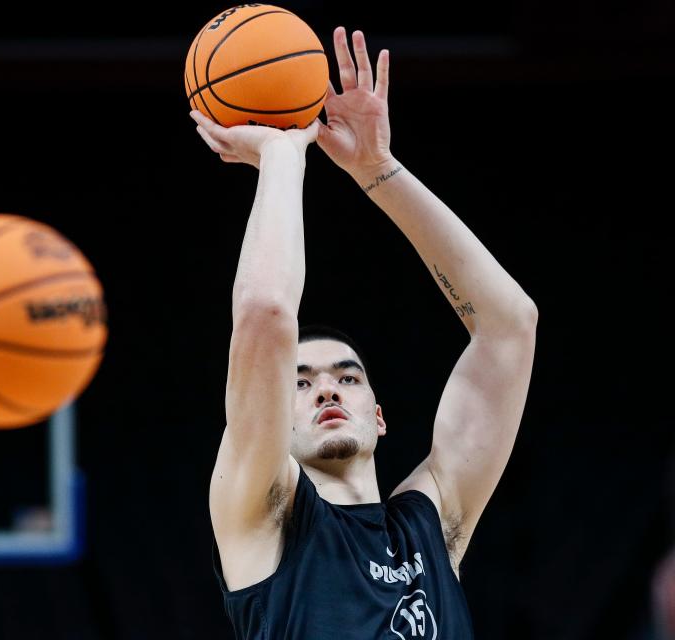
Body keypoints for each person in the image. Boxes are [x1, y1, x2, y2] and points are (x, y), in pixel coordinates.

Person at [191, 27, 538, 638]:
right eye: (300, 383)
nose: (327, 390)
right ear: (276, 418)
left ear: (377, 415)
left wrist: (378, 170)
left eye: (346, 377)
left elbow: (510, 327)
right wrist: (282, 155)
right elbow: (267, 313)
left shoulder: (434, 527)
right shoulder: (262, 515)